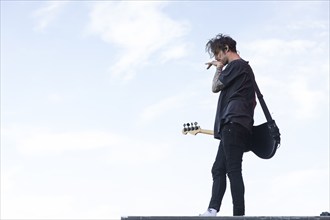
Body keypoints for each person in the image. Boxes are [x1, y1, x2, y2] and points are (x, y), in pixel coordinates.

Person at [201, 34, 256, 216]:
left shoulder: (237, 66)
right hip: (233, 123)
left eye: (218, 54)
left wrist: (219, 68)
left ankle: (238, 215)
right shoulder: (242, 68)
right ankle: (212, 210)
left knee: (233, 170)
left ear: (226, 48)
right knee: (218, 168)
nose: (216, 58)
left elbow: (215, 87)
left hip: (234, 122)